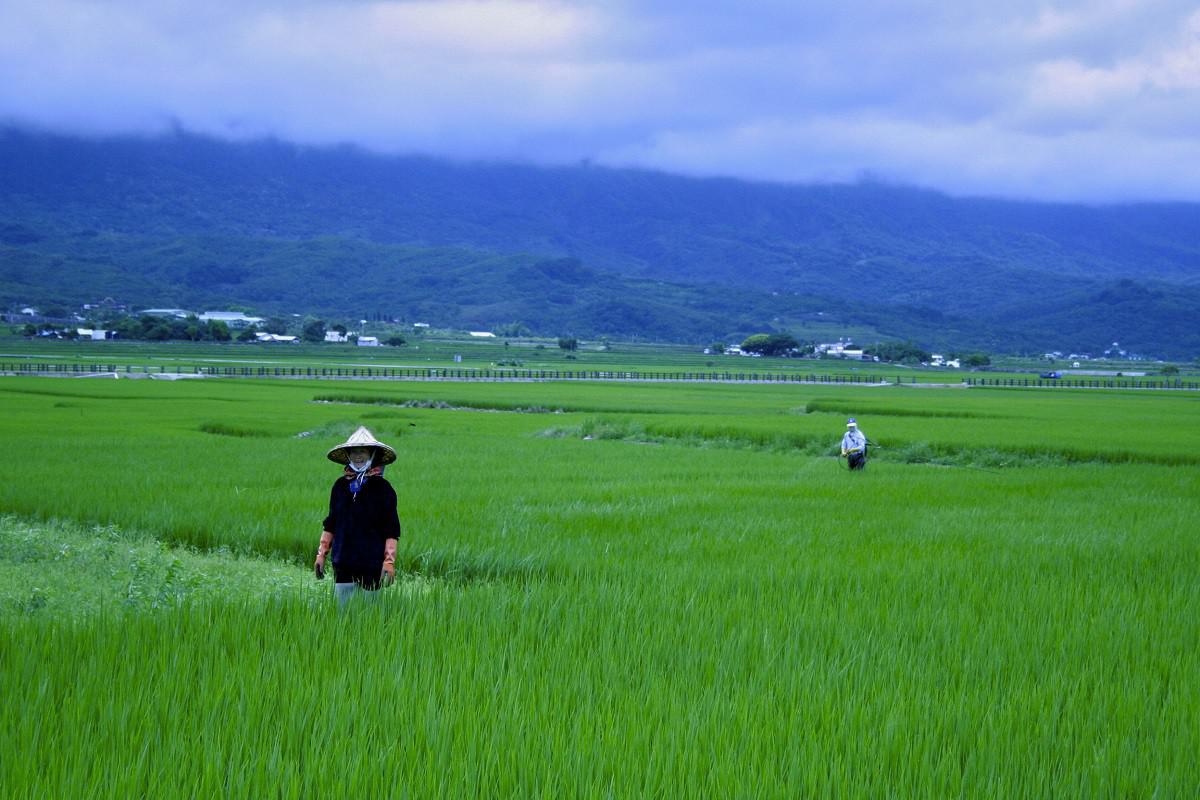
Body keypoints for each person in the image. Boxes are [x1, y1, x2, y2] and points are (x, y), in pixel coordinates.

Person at [314, 426, 401, 605]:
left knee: (370, 615)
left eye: (363, 451)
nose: (358, 456)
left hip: (372, 563)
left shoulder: (384, 489)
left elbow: (391, 529)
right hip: (343, 561)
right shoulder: (340, 486)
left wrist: (389, 561)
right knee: (343, 612)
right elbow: (331, 523)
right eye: (354, 452)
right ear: (348, 455)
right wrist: (321, 554)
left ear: (372, 454)